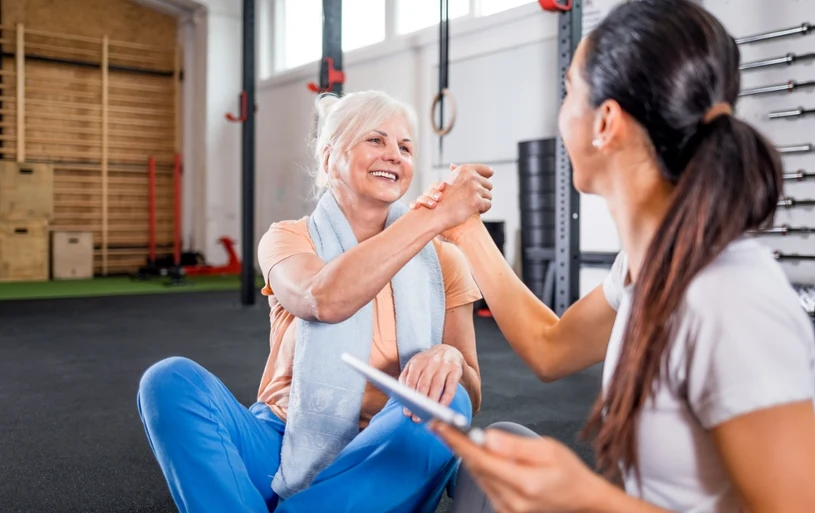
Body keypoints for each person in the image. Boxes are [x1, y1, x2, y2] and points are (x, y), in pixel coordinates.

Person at [412, 1, 815, 512]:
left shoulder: (731, 300)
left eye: (569, 92)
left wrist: (587, 499)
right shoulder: (647, 266)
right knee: (497, 452)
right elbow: (550, 347)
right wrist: (465, 229)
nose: (560, 114)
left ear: (605, 122)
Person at [136, 90, 496, 513]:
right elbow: (324, 299)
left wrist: (451, 359)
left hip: (386, 452)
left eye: (405, 147)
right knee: (168, 380)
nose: (394, 155)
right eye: (375, 140)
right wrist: (432, 217)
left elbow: (471, 393)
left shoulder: (443, 261)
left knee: (449, 400)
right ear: (328, 160)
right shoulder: (289, 238)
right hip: (284, 441)